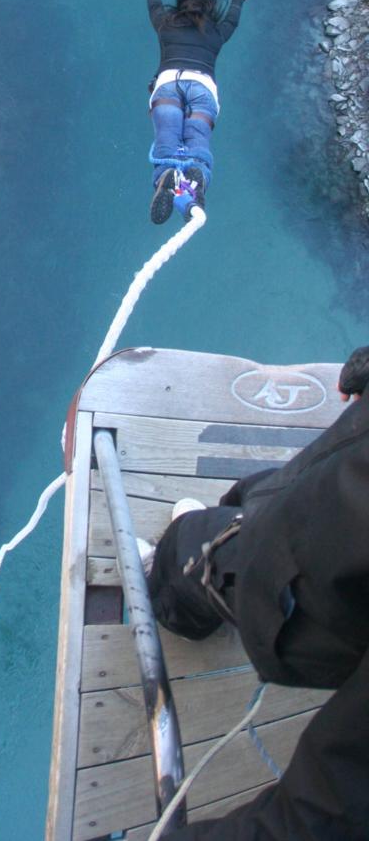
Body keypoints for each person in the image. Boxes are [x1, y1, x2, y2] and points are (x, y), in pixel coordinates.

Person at [142, 346, 369, 837]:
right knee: (260, 497)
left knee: (197, 549)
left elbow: (323, 820)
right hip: (339, 507)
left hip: (324, 575)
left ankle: (184, 574)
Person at [145, 0, 252, 224]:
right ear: (209, 11)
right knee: (198, 140)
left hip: (169, 83)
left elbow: (154, 8)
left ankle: (167, 176)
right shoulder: (215, 34)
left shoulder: (166, 25)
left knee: (168, 136)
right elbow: (231, 22)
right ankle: (197, 177)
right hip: (202, 88)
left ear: (181, 8)